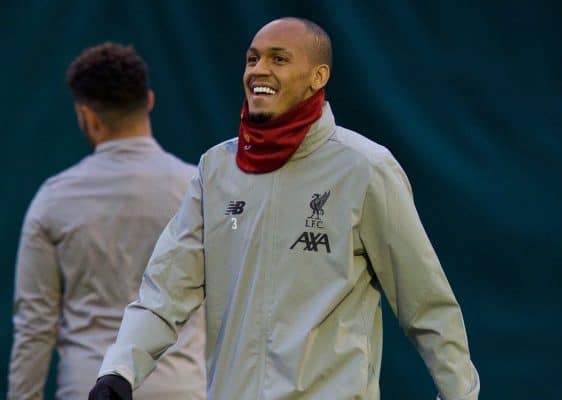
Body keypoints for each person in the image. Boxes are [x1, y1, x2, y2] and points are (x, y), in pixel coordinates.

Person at [90, 18, 480, 400]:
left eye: (278, 59)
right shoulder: (216, 169)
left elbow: (426, 306)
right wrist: (119, 370)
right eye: (252, 59)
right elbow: (165, 291)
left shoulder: (365, 168)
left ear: (318, 76)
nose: (259, 70)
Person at [8, 43, 207, 400]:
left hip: (89, 387)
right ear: (149, 100)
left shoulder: (53, 199)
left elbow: (35, 326)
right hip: (183, 386)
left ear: (87, 116)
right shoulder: (199, 191)